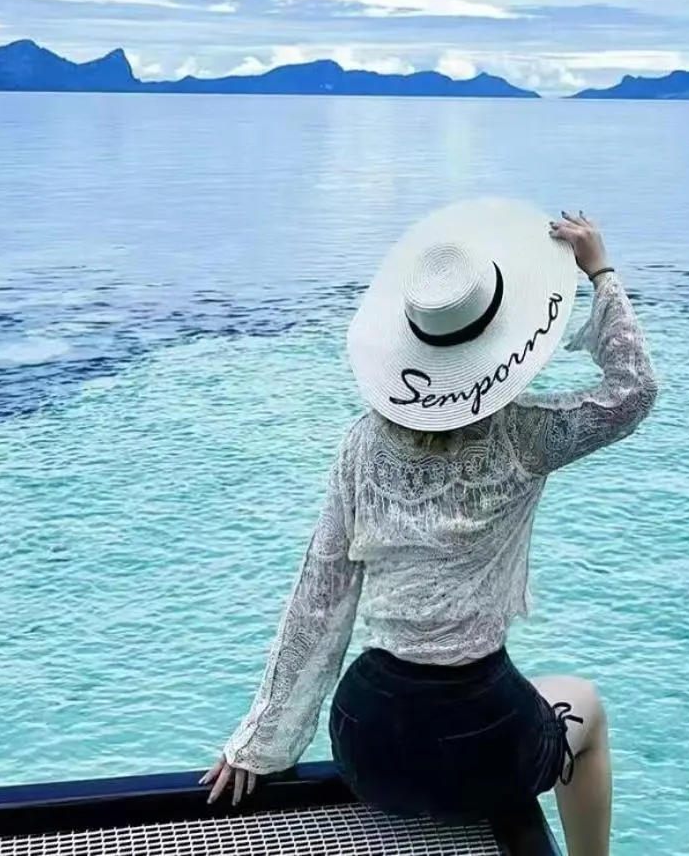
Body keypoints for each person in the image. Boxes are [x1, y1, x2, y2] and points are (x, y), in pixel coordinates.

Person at [202, 201, 658, 856]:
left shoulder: (361, 445)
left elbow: (320, 597)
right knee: (586, 708)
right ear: (500, 336)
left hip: (367, 740)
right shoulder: (528, 435)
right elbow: (633, 390)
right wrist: (602, 273)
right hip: (483, 742)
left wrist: (259, 742)